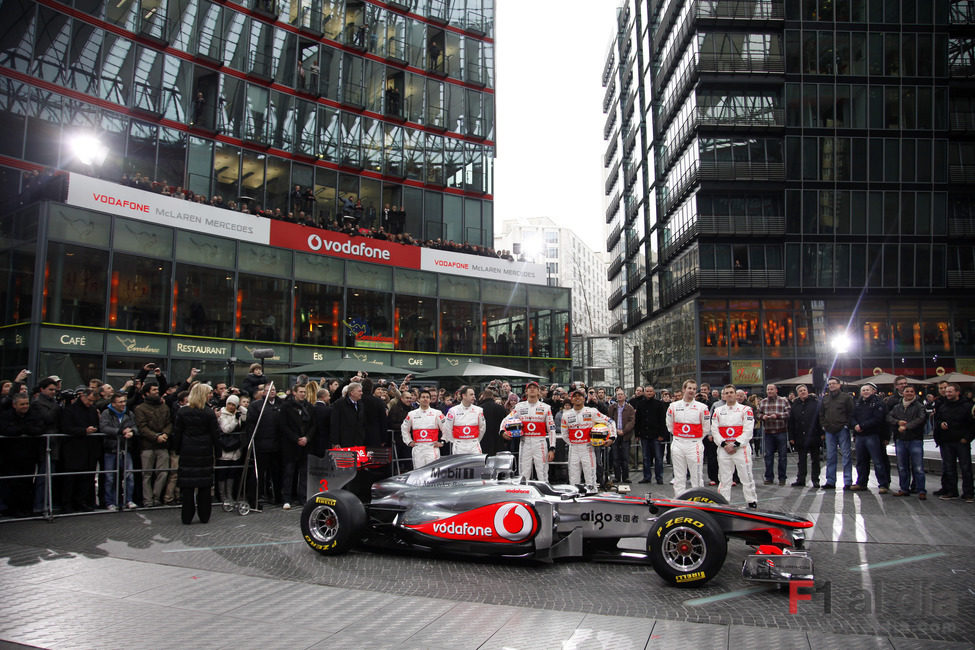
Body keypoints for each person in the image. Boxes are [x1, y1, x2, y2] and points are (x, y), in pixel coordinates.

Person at [172, 383, 220, 524]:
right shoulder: (208, 412)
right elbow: (215, 434)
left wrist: (177, 449)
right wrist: (217, 451)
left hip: (187, 450)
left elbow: (177, 433)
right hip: (204, 450)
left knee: (187, 487)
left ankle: (187, 516)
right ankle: (204, 516)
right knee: (204, 486)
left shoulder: (182, 412)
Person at [711, 384, 757, 508]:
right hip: (724, 449)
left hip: (741, 449)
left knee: (746, 476)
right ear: (723, 395)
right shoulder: (717, 411)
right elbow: (714, 430)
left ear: (736, 394)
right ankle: (723, 503)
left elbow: (748, 430)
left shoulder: (746, 410)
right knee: (724, 478)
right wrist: (724, 444)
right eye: (727, 393)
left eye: (731, 392)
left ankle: (751, 501)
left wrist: (736, 444)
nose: (729, 394)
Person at [500, 381, 556, 481]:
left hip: (540, 443)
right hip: (525, 442)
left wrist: (552, 448)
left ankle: (544, 494)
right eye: (530, 388)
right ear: (526, 391)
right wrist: (502, 431)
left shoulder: (546, 408)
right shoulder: (520, 407)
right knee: (524, 473)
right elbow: (507, 419)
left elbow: (551, 429)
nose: (532, 389)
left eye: (535, 387)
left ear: (539, 391)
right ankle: (525, 494)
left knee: (542, 473)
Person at [559, 388, 615, 486]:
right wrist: (573, 443)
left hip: (588, 447)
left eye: (579, 396)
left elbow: (610, 422)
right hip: (573, 449)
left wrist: (612, 438)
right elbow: (564, 434)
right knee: (573, 477)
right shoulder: (566, 415)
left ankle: (592, 493)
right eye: (574, 396)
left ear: (584, 398)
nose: (577, 398)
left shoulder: (592, 412)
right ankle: (575, 497)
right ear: (571, 400)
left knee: (591, 476)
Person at [665, 379, 711, 498]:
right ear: (684, 389)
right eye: (689, 388)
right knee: (679, 476)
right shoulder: (673, 406)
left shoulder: (702, 407)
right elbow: (669, 425)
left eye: (694, 389)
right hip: (678, 443)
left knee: (697, 476)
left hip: (694, 444)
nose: (691, 391)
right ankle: (679, 501)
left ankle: (698, 502)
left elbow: (706, 427)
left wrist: (695, 438)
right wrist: (680, 436)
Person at [59, 387, 100, 513]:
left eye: (93, 401)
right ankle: (67, 504)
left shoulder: (92, 410)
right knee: (70, 479)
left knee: (86, 478)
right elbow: (66, 428)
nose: (90, 403)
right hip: (73, 449)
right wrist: (83, 431)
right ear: (82, 396)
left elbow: (97, 424)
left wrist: (94, 429)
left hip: (88, 449)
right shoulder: (70, 410)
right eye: (89, 400)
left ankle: (82, 502)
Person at [0, 393, 40, 517]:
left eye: (27, 403)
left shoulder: (33, 414)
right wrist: (24, 429)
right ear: (14, 405)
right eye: (22, 404)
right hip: (11, 456)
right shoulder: (6, 416)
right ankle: (13, 509)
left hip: (29, 455)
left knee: (28, 482)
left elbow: (39, 429)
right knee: (13, 483)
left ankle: (27, 508)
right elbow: (6, 430)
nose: (25, 406)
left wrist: (23, 429)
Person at [933, 383, 974, 501]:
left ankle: (968, 493)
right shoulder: (943, 405)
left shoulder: (967, 405)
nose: (947, 394)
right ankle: (952, 491)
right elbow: (938, 419)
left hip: (961, 441)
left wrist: (967, 438)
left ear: (957, 392)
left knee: (965, 468)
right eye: (946, 392)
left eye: (950, 391)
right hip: (947, 441)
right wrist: (941, 424)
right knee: (949, 467)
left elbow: (972, 424)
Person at [99, 393, 138, 511]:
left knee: (129, 475)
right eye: (120, 402)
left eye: (124, 401)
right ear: (113, 403)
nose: (123, 404)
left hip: (125, 449)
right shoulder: (107, 413)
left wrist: (131, 432)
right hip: (111, 449)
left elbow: (135, 427)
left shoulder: (129, 413)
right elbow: (104, 428)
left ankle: (128, 500)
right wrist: (120, 431)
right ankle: (110, 502)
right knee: (110, 477)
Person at [134, 383, 172, 508]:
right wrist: (156, 437)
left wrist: (165, 434)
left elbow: (169, 422)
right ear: (146, 393)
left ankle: (156, 497)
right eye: (154, 390)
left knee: (163, 472)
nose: (157, 391)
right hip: (147, 445)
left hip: (162, 444)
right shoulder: (140, 408)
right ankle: (147, 500)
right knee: (147, 474)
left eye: (157, 389)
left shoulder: (164, 407)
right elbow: (142, 427)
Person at [887, 384, 927, 499]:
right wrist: (898, 422)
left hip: (915, 439)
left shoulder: (919, 406)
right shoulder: (897, 407)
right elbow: (888, 417)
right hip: (901, 439)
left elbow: (921, 419)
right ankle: (904, 488)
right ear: (903, 393)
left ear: (914, 393)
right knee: (902, 466)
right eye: (907, 391)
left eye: (911, 391)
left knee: (918, 467)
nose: (909, 393)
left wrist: (907, 426)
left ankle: (921, 490)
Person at [849, 383, 890, 493]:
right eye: (863, 390)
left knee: (878, 461)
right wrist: (855, 425)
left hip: (873, 435)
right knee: (861, 461)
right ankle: (861, 483)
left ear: (873, 391)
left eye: (867, 390)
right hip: (860, 436)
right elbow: (852, 416)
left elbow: (878, 419)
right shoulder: (857, 403)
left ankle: (883, 484)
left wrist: (861, 426)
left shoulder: (879, 403)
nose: (865, 392)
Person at [819, 377, 855, 490]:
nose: (831, 386)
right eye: (829, 384)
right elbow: (821, 414)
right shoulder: (825, 399)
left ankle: (848, 481)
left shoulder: (846, 398)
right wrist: (824, 425)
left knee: (846, 456)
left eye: (834, 384)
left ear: (839, 385)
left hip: (842, 429)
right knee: (830, 456)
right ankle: (830, 481)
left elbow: (851, 412)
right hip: (829, 430)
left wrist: (846, 425)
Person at [401, 388, 445, 468]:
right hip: (418, 449)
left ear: (430, 400)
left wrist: (442, 442)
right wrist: (409, 441)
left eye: (427, 397)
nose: (425, 399)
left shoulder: (437, 413)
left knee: (433, 473)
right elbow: (404, 428)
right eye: (423, 397)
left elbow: (446, 427)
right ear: (419, 399)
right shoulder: (412, 414)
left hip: (432, 448)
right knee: (418, 473)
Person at [788, 385, 823, 488]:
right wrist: (791, 437)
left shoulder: (816, 403)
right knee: (801, 460)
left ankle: (815, 480)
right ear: (797, 393)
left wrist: (822, 433)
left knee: (815, 460)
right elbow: (791, 422)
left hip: (814, 435)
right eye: (800, 391)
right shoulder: (795, 405)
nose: (803, 392)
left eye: (804, 390)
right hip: (800, 436)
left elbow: (820, 419)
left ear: (807, 391)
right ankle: (801, 479)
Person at [758, 383, 791, 486]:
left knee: (782, 456)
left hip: (781, 431)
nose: (770, 391)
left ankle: (782, 478)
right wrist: (763, 417)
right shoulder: (762, 402)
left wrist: (777, 416)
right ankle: (769, 477)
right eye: (768, 390)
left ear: (776, 390)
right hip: (768, 433)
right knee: (768, 456)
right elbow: (757, 414)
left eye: (771, 389)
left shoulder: (783, 400)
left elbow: (788, 413)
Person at [635, 385, 667, 485]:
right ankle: (647, 477)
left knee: (658, 457)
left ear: (654, 393)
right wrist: (637, 434)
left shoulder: (659, 404)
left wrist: (662, 434)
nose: (649, 393)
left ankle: (659, 477)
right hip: (644, 435)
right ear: (644, 393)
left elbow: (663, 420)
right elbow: (638, 420)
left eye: (650, 391)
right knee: (645, 458)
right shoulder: (640, 404)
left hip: (656, 435)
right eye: (647, 391)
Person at [216, 394, 245, 508]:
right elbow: (226, 429)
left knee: (232, 474)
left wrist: (240, 407)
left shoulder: (238, 413)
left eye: (234, 405)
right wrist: (235, 420)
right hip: (225, 449)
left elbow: (247, 415)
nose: (231, 407)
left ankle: (230, 494)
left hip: (236, 450)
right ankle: (223, 496)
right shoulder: (221, 414)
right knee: (222, 473)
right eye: (229, 404)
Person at [443, 386, 485, 455]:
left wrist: (476, 440)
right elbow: (447, 428)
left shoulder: (479, 410)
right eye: (471, 394)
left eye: (474, 394)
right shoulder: (453, 410)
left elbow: (482, 428)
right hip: (459, 446)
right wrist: (455, 441)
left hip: (474, 445)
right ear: (464, 396)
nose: (474, 396)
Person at [607, 387, 635, 483]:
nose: (619, 396)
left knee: (625, 457)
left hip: (625, 435)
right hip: (615, 435)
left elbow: (632, 421)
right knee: (615, 457)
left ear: (625, 396)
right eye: (618, 394)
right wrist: (614, 430)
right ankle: (617, 476)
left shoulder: (629, 408)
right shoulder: (612, 408)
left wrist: (624, 430)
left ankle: (626, 477)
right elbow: (609, 420)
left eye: (621, 394)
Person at [330, 381, 367, 448]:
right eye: (359, 391)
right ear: (352, 393)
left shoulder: (361, 404)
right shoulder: (339, 404)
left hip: (358, 442)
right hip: (344, 442)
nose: (361, 393)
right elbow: (335, 423)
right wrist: (336, 442)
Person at [477, 388, 508, 457]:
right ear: (493, 397)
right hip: (498, 440)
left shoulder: (479, 409)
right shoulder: (501, 408)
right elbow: (505, 425)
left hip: (484, 441)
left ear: (483, 396)